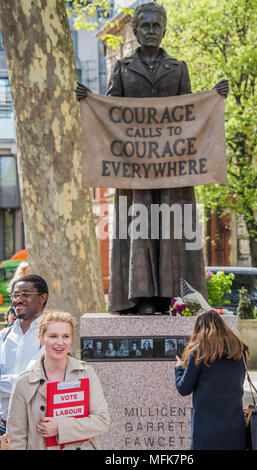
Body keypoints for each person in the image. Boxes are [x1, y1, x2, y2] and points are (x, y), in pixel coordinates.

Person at [76, 2, 229, 315]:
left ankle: (172, 298)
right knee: (139, 228)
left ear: (164, 28)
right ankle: (140, 298)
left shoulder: (178, 68)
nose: (150, 31)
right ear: (135, 30)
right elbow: (110, 115)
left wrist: (213, 97)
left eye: (156, 25)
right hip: (133, 170)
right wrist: (90, 101)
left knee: (172, 228)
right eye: (144, 26)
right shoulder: (121, 68)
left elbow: (191, 114)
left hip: (173, 169)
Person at [6, 310, 110, 450]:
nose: (60, 343)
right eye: (53, 336)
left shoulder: (86, 373)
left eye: (65, 336)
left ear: (71, 339)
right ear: (41, 338)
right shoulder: (23, 382)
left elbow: (102, 421)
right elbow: (16, 438)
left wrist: (60, 428)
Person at [174, 310, 248, 450]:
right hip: (235, 429)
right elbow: (239, 381)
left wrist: (178, 368)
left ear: (199, 330)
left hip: (206, 431)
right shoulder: (240, 351)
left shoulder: (199, 352)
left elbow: (183, 388)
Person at [0, 274, 48, 437]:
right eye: (15, 295)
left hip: (35, 431)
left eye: (25, 295)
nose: (18, 300)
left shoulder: (51, 335)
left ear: (42, 298)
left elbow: (29, 383)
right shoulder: (4, 336)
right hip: (2, 427)